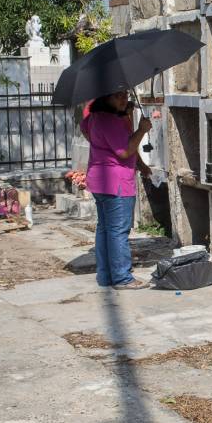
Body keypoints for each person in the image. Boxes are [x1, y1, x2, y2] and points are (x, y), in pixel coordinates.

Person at [81, 91, 152, 288]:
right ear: (105, 98)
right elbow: (125, 151)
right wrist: (142, 130)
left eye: (126, 95)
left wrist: (124, 118)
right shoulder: (109, 121)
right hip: (116, 183)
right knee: (118, 231)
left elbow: (85, 131)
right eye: (117, 96)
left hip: (99, 180)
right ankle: (122, 277)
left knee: (104, 229)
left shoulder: (94, 117)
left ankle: (105, 275)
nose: (124, 99)